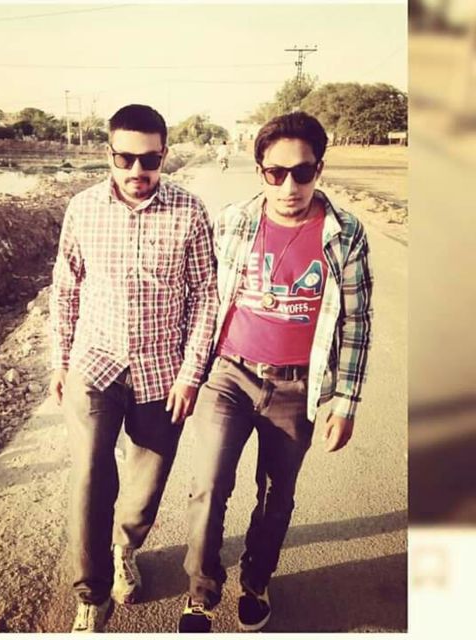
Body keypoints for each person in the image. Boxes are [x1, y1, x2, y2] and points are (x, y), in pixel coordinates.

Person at [177, 111, 373, 633]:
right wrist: (188, 372)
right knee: (209, 484)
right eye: (276, 172)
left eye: (302, 172)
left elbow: (357, 321)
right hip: (229, 376)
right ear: (260, 169)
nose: (289, 186)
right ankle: (201, 591)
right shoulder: (233, 222)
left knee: (276, 494)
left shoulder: (345, 234)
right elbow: (202, 299)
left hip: (296, 387)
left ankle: (256, 580)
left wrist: (345, 402)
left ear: (319, 169)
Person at [48, 104, 218, 633]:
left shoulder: (189, 211)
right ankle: (92, 592)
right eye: (125, 158)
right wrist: (61, 360)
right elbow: (66, 287)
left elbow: (206, 296)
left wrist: (191, 374)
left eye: (150, 159)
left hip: (162, 373)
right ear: (109, 155)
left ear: (165, 155)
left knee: (146, 486)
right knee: (91, 475)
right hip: (94, 364)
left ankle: (125, 548)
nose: (137, 170)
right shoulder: (82, 209)